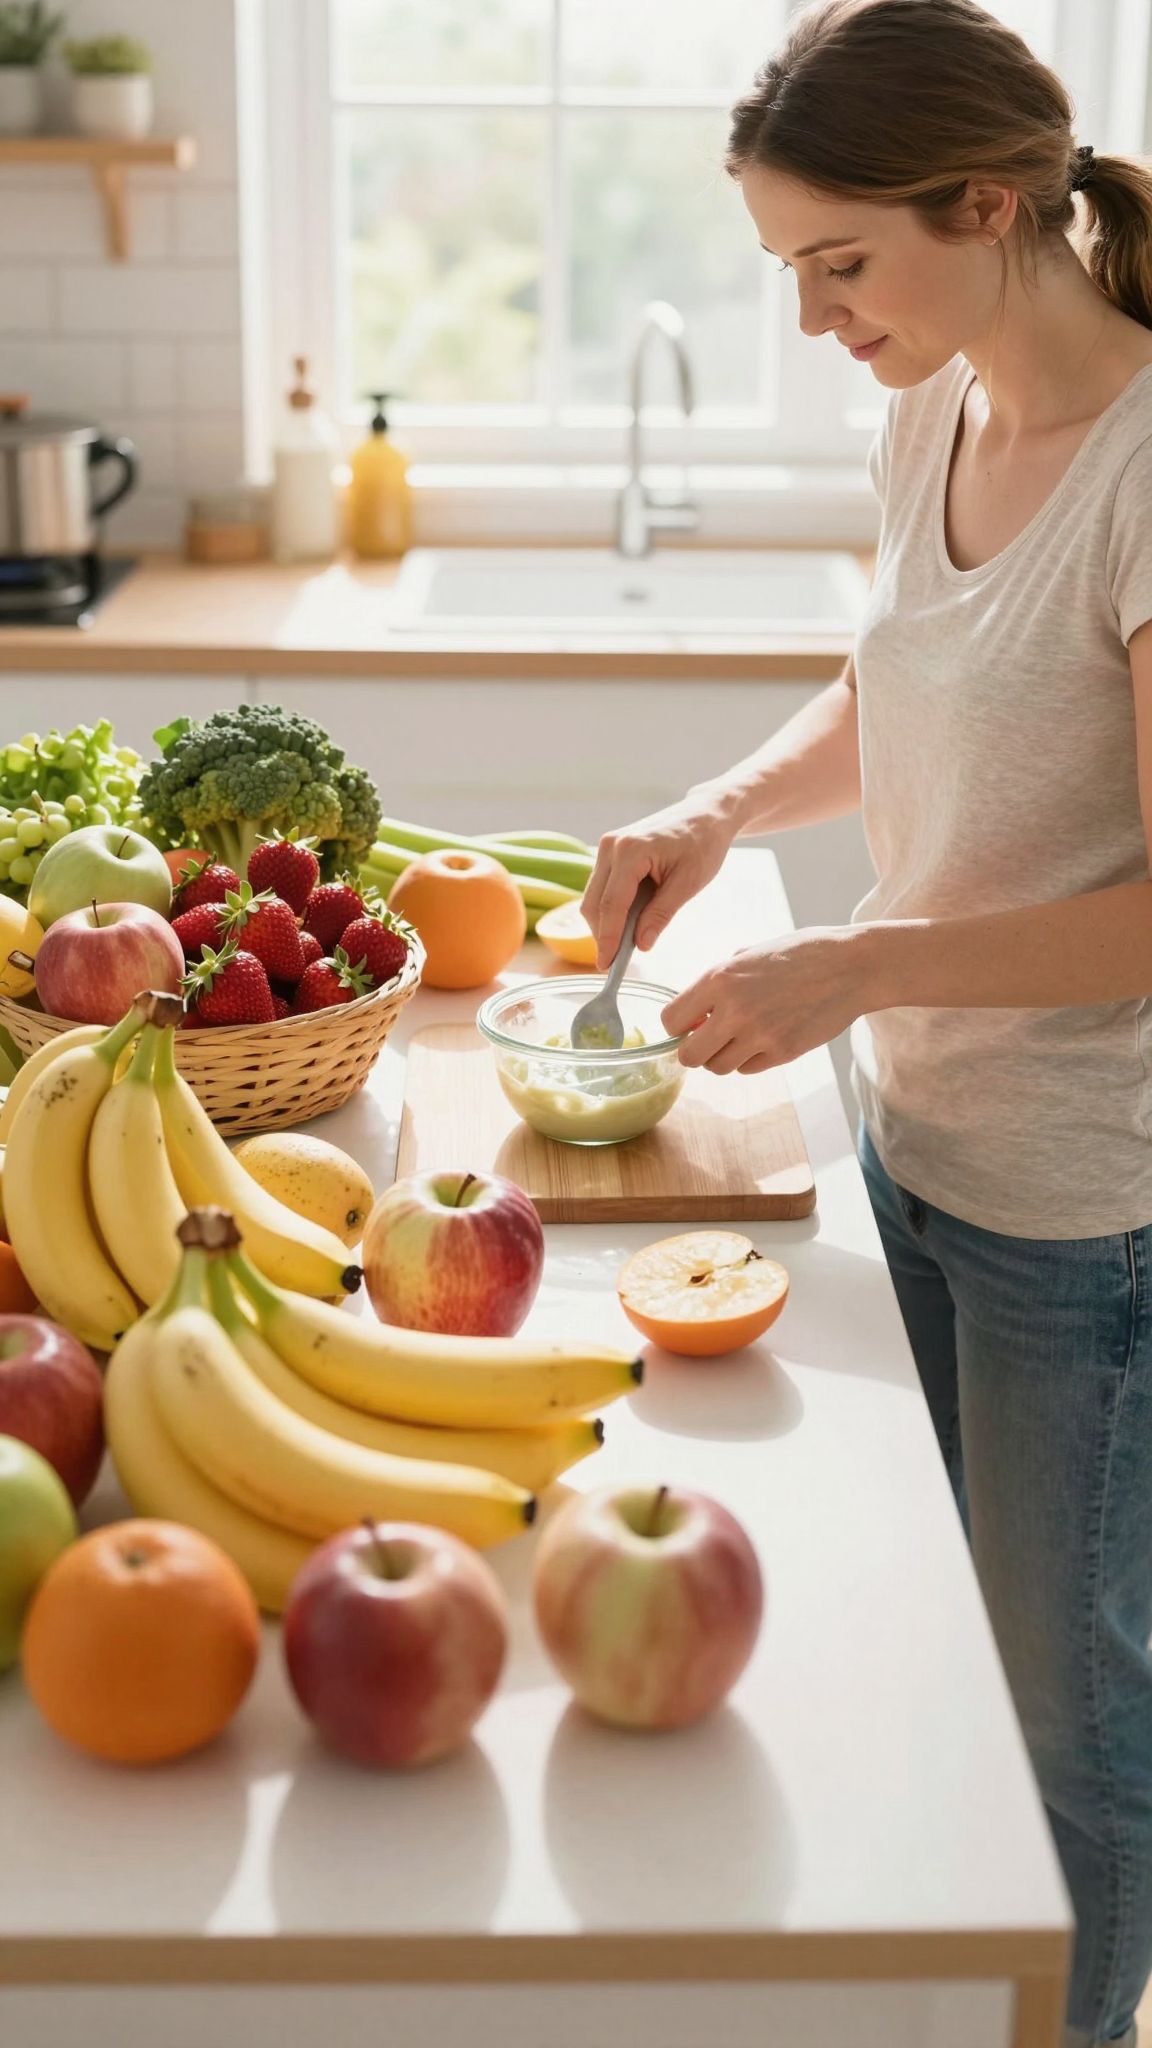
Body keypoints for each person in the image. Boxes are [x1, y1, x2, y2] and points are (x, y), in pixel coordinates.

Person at [579, 2, 1152, 2042]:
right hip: (918, 1144)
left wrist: (858, 963)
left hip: (1091, 1222)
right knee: (932, 1679)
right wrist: (718, 811)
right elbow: (902, 685)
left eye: (842, 264)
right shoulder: (939, 405)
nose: (822, 319)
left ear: (987, 205)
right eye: (791, 274)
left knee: (1065, 1736)